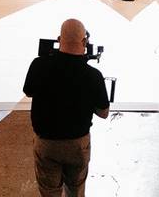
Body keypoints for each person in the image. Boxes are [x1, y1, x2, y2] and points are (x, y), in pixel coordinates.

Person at [23, 18, 110, 197]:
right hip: (77, 145)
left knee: (49, 191)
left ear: (58, 40)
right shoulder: (93, 76)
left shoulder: (39, 65)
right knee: (76, 189)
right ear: (84, 42)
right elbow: (103, 113)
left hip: (46, 144)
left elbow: (29, 92)